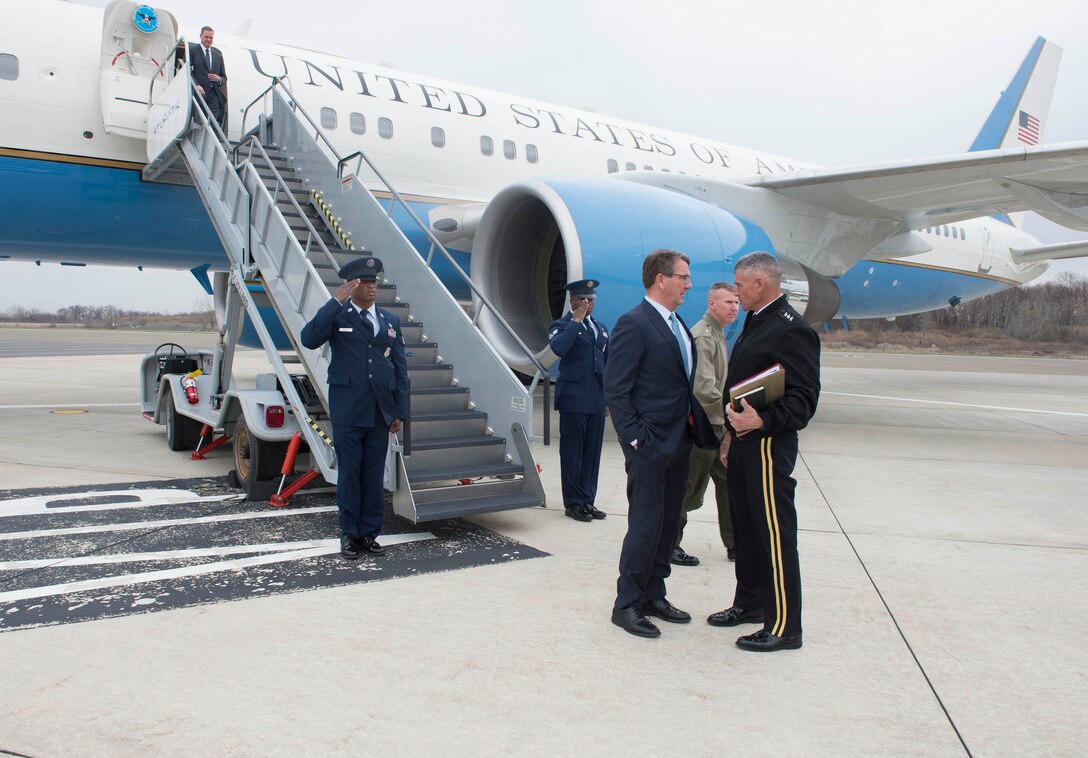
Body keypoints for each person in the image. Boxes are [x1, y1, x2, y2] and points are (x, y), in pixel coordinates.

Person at [709, 251, 821, 652]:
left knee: (774, 535)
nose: (735, 293)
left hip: (769, 446)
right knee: (748, 530)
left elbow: (804, 400)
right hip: (742, 443)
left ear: (760, 284)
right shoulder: (758, 320)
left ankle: (786, 627)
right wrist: (729, 435)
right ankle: (751, 603)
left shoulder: (793, 330)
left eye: (740, 285)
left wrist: (763, 422)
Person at [603, 249, 717, 638]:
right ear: (660, 279)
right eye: (683, 277)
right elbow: (616, 389)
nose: (689, 284)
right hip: (650, 445)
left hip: (680, 440)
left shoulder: (677, 324)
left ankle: (654, 592)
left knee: (668, 525)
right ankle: (627, 604)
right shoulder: (634, 323)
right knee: (645, 526)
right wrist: (635, 438)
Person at [300, 256, 408, 560]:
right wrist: (335, 301)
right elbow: (309, 339)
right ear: (353, 285)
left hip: (379, 412)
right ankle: (348, 534)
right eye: (366, 283)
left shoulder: (389, 321)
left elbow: (399, 368)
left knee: (373, 476)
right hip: (348, 409)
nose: (373, 288)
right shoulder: (339, 315)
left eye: (375, 282)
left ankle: (368, 534)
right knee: (350, 474)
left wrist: (397, 410)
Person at [671, 282, 740, 567]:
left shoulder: (717, 333)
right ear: (712, 304)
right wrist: (729, 413)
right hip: (704, 426)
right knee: (686, 489)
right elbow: (704, 387)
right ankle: (669, 544)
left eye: (736, 302)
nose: (734, 307)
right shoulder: (704, 336)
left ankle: (736, 543)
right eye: (728, 303)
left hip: (716, 425)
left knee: (727, 481)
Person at [548, 279, 609, 522]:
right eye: (583, 299)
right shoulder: (561, 325)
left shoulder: (601, 327)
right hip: (573, 399)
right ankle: (573, 502)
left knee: (592, 453)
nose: (588, 304)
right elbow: (559, 348)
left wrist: (609, 397)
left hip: (595, 398)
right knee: (573, 452)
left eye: (591, 299)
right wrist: (575, 320)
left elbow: (608, 362)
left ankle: (587, 500)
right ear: (572, 300)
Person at [189, 26, 227, 130]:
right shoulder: (192, 51)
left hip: (213, 93)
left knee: (213, 123)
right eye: (206, 37)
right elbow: (187, 72)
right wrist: (196, 85)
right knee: (197, 121)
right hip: (197, 93)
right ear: (200, 36)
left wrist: (219, 79)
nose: (208, 40)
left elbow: (224, 77)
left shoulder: (217, 55)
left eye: (211, 38)